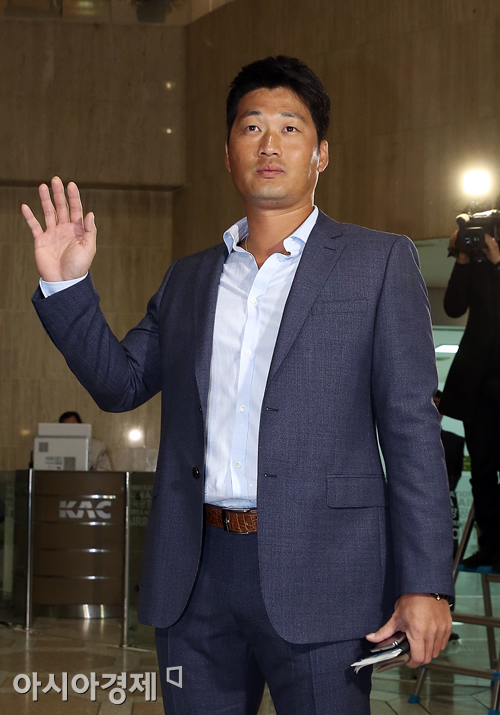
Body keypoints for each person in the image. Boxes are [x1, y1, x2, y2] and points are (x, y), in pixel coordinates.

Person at [22, 56, 453, 715]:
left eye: (290, 128)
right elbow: (119, 384)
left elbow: (412, 429)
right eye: (252, 127)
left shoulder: (378, 262)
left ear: (321, 154)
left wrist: (426, 582)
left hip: (326, 575)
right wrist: (66, 284)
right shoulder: (189, 279)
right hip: (195, 578)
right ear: (228, 154)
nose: (269, 144)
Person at [439, 228, 500, 570]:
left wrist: (498, 263)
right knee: (482, 471)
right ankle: (491, 548)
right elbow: (452, 307)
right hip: (478, 387)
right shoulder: (475, 266)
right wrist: (462, 258)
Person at [433, 390, 464, 555]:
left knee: (451, 547)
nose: (436, 411)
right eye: (433, 405)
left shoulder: (456, 441)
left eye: (438, 405)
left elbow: (456, 474)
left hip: (448, 500)